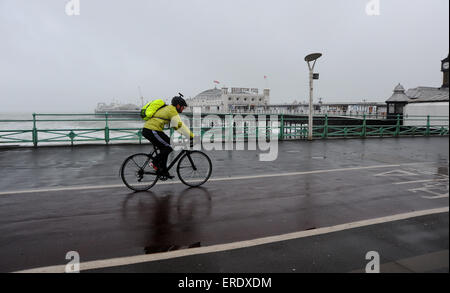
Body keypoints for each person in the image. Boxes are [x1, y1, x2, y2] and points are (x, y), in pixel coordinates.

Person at [142, 95, 194, 178]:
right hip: (152, 130)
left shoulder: (168, 109)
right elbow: (180, 126)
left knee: (166, 147)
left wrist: (186, 134)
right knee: (170, 146)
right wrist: (192, 136)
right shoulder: (171, 110)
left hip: (151, 130)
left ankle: (163, 170)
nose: (183, 109)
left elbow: (176, 127)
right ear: (178, 105)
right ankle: (154, 162)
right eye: (182, 107)